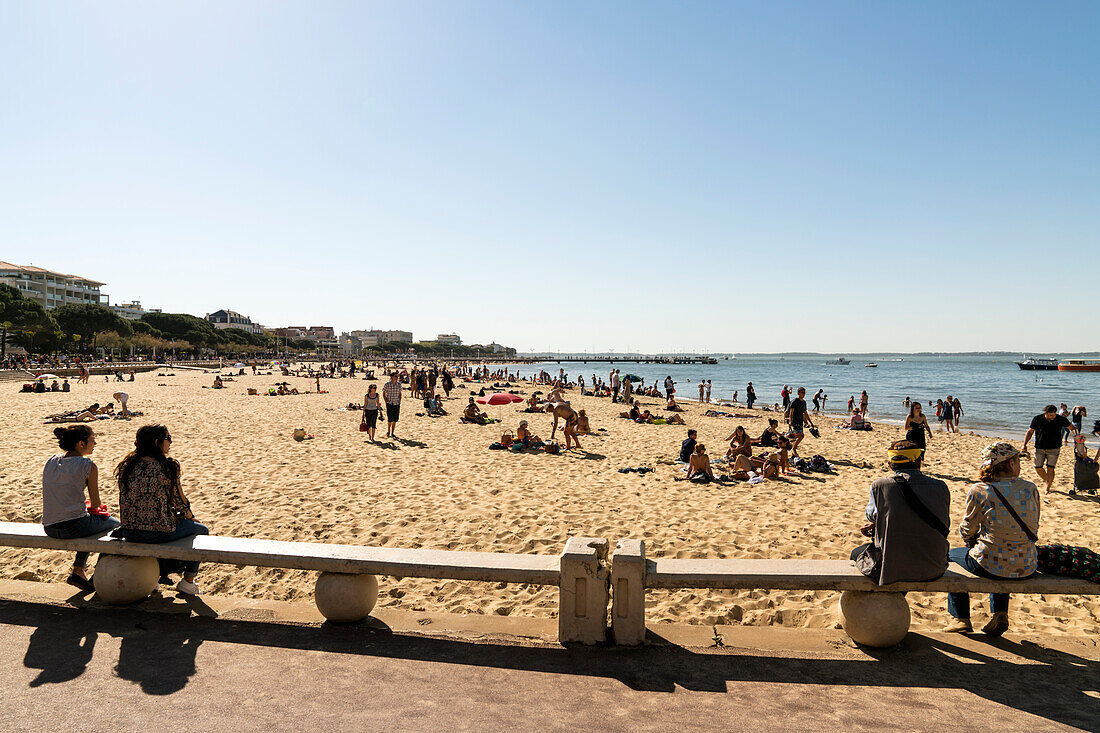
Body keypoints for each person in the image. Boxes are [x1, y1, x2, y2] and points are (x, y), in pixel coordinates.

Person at [946, 442, 1039, 636]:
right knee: (1003, 551)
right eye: (1018, 461)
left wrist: (971, 540)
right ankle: (1000, 612)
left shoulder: (980, 490)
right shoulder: (1030, 488)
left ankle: (961, 617)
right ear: (1011, 464)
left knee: (951, 556)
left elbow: (967, 528)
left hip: (989, 564)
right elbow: (1034, 525)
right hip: (1027, 564)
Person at [114, 425, 208, 595]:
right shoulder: (168, 467)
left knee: (164, 530)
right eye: (168, 438)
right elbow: (180, 501)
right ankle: (188, 581)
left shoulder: (126, 466)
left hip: (129, 531)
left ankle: (155, 577)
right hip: (157, 533)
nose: (171, 442)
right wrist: (190, 517)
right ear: (157, 443)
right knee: (201, 530)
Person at [851, 440, 950, 585]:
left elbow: (872, 515)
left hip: (892, 569)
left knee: (856, 553)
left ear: (890, 465)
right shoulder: (941, 487)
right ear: (919, 462)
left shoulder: (880, 486)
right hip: (934, 568)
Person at [41, 426, 121, 591]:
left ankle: (79, 572)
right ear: (81, 444)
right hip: (73, 527)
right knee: (116, 526)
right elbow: (96, 503)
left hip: (49, 527)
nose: (95, 443)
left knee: (89, 524)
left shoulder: (52, 460)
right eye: (92, 440)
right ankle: (90, 573)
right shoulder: (87, 465)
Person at [1023, 404, 1076, 493]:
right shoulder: (1037, 419)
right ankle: (1047, 480)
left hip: (1054, 448)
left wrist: (1077, 437)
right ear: (1045, 413)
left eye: (1054, 415)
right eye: (1050, 415)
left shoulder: (1060, 419)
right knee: (1038, 467)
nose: (1053, 417)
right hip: (1039, 447)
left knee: (1050, 468)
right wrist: (1024, 444)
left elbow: (1072, 428)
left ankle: (1048, 487)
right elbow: (1030, 432)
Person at [785, 387, 815, 457]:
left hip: (800, 421)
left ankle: (791, 447)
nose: (803, 394)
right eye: (802, 392)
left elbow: (806, 413)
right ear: (798, 393)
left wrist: (810, 422)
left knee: (798, 436)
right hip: (795, 421)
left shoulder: (804, 402)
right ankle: (793, 449)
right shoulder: (795, 401)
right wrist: (790, 421)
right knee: (801, 435)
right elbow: (791, 412)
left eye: (804, 393)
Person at [382, 372, 403, 438]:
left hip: (396, 403)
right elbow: (384, 393)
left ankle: (392, 432)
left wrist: (399, 401)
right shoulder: (387, 384)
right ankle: (388, 431)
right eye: (396, 376)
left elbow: (400, 393)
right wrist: (386, 401)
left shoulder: (399, 385)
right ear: (392, 377)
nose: (397, 378)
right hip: (390, 403)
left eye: (397, 376)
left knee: (395, 419)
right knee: (390, 419)